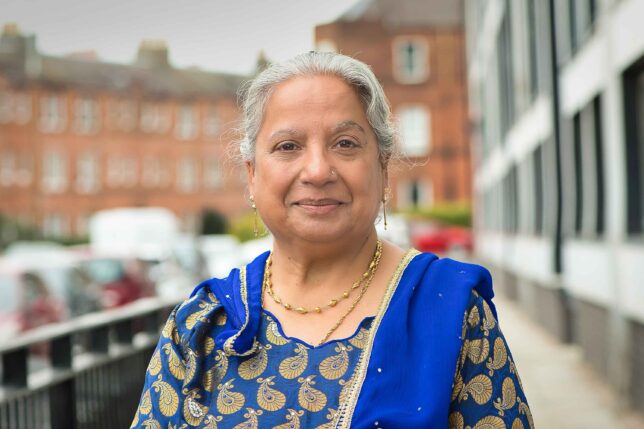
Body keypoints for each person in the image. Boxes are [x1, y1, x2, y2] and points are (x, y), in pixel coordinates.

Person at [130, 52, 533, 429]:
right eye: (288, 146)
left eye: (345, 143)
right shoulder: (201, 326)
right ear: (252, 174)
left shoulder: (451, 312)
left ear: (383, 168)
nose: (318, 170)